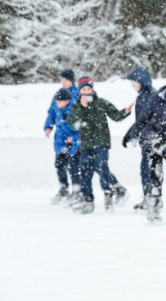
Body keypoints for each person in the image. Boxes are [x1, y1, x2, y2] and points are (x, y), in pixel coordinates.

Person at [123, 65, 166, 224]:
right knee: (155, 176)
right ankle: (153, 206)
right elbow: (143, 120)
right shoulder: (155, 99)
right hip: (153, 144)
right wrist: (132, 134)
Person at [67, 77, 133, 214]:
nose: (86, 92)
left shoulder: (101, 103)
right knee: (85, 171)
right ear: (80, 91)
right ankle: (88, 200)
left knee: (102, 168)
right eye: (83, 89)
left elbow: (115, 116)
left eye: (88, 89)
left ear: (92, 89)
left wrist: (125, 112)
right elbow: (72, 123)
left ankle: (108, 195)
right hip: (86, 144)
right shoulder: (76, 106)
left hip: (101, 142)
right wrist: (81, 108)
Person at [124, 67, 155, 211]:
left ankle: (152, 198)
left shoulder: (150, 97)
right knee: (146, 169)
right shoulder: (142, 97)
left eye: (134, 82)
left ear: (142, 82)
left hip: (152, 140)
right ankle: (149, 197)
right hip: (147, 140)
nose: (133, 86)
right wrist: (130, 134)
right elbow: (140, 121)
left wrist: (133, 133)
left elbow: (147, 121)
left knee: (148, 169)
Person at [43, 88, 81, 204]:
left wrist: (74, 138)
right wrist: (48, 127)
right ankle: (63, 188)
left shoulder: (74, 109)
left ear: (67, 100)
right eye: (57, 102)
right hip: (61, 142)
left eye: (59, 101)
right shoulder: (57, 107)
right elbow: (51, 115)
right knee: (59, 165)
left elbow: (80, 127)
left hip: (72, 144)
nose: (57, 104)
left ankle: (77, 190)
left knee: (73, 167)